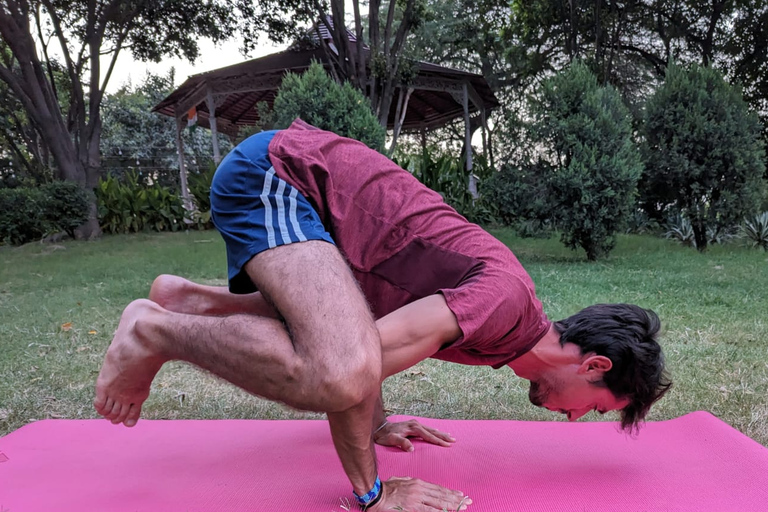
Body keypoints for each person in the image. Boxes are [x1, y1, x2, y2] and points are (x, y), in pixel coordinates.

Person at [94, 119, 671, 511]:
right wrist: (373, 493)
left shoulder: (505, 340)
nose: (574, 420)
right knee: (337, 372)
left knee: (346, 359)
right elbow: (358, 364)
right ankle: (154, 330)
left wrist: (375, 423)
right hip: (283, 175)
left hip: (314, 208)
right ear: (594, 364)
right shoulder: (505, 307)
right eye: (594, 408)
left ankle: (187, 302)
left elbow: (369, 327)